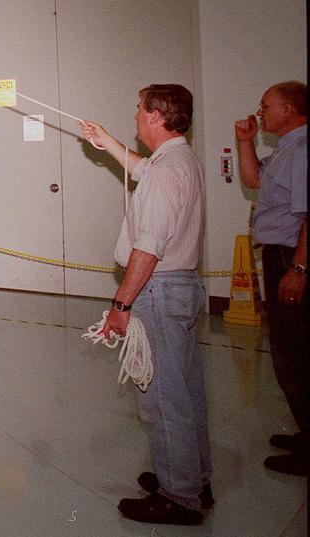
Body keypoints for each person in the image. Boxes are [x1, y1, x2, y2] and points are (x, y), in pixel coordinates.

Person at [81, 84, 211, 526]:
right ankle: (194, 477)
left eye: (139, 110)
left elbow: (148, 249)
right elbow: (143, 171)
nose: (135, 116)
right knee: (185, 391)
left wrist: (121, 304)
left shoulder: (164, 172)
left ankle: (180, 497)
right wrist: (108, 142)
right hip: (181, 287)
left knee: (162, 398)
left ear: (156, 116)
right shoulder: (179, 159)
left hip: (157, 290)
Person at [235, 80, 308, 477]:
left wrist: (298, 270)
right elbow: (254, 181)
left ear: (290, 108)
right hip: (281, 257)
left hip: (292, 260)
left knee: (294, 356)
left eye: (266, 106)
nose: (260, 112)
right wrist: (245, 141)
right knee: (288, 353)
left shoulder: (303, 149)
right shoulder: (286, 147)